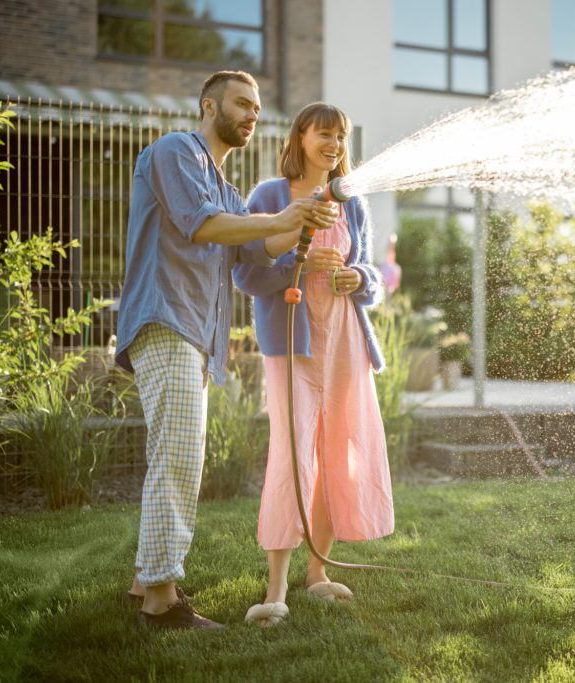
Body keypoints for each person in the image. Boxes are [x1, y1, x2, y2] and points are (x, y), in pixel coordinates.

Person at [114, 71, 338, 631]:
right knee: (180, 459)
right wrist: (283, 217)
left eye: (258, 107)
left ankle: (145, 582)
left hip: (196, 334)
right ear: (209, 105)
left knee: (173, 453)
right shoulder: (176, 153)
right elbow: (204, 226)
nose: (252, 113)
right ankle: (162, 603)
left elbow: (258, 250)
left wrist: (301, 219)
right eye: (242, 103)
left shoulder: (225, 187)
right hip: (167, 319)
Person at [234, 102, 394, 627]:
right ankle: (275, 587)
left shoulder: (352, 201)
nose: (334, 144)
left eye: (340, 136)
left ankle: (317, 573)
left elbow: (368, 272)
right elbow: (246, 275)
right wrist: (294, 264)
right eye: (324, 133)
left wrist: (358, 279)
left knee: (336, 452)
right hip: (292, 343)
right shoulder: (270, 195)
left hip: (344, 340)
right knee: (292, 454)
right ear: (301, 137)